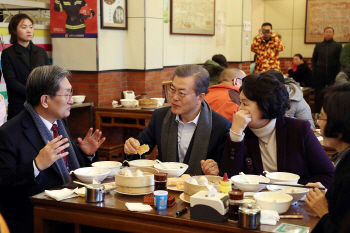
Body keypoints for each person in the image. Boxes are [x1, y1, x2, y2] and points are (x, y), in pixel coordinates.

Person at [0, 65, 105, 233]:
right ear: (45, 100)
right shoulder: (9, 133)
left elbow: (68, 168)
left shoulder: (58, 123)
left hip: (69, 209)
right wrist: (36, 165)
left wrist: (87, 154)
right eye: (67, 94)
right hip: (35, 218)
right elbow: (4, 185)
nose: (71, 100)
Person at [221, 72, 334, 187]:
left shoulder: (298, 130)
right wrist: (236, 134)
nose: (239, 109)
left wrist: (302, 189)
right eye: (240, 103)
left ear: (265, 104)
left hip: (294, 200)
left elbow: (328, 174)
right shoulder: (241, 132)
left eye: (245, 103)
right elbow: (228, 178)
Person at [124, 64, 231, 175]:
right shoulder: (160, 117)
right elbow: (139, 149)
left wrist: (215, 171)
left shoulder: (221, 126)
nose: (174, 97)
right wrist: (131, 147)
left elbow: (225, 171)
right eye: (172, 90)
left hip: (201, 189)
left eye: (181, 93)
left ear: (200, 97)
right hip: (164, 187)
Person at [305, 83, 350, 233]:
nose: (318, 123)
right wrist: (330, 196)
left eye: (322, 118)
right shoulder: (342, 158)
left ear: (340, 127)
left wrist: (323, 210)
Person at [1, 14, 50, 120]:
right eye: (24, 27)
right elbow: (11, 81)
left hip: (41, 105)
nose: (29, 30)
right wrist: (33, 94)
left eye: (31, 27)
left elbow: (49, 76)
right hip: (19, 105)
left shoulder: (41, 52)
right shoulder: (8, 53)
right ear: (14, 30)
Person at [312, 27, 342, 113]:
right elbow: (314, 59)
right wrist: (315, 70)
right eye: (326, 32)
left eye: (330, 32)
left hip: (333, 74)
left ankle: (331, 112)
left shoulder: (338, 46)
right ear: (323, 33)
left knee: (332, 94)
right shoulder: (318, 46)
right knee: (318, 94)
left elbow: (340, 61)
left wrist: (338, 73)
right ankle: (317, 112)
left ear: (333, 34)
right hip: (319, 74)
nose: (328, 33)